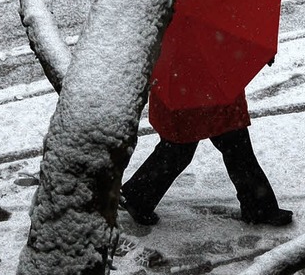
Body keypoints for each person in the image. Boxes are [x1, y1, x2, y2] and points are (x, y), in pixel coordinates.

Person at [120, 88, 292, 226]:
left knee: (184, 150)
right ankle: (259, 207)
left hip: (198, 91)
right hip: (202, 91)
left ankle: (138, 197)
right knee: (229, 147)